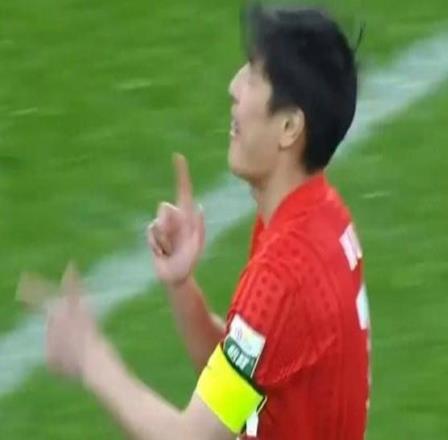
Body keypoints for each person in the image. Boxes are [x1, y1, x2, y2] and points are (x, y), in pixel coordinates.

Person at [32, 3, 371, 439]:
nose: (234, 87)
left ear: (289, 127)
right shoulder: (318, 215)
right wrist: (181, 285)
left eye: (254, 75)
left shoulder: (283, 274)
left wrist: (89, 356)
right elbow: (242, 386)